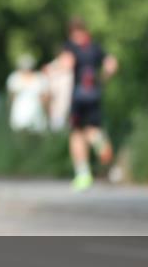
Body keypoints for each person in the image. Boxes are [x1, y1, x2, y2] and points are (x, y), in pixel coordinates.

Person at [48, 18, 118, 191]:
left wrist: (51, 69)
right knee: (93, 128)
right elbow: (112, 65)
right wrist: (102, 80)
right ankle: (101, 144)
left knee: (76, 133)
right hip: (94, 93)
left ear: (71, 31)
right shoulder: (95, 47)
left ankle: (83, 173)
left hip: (77, 96)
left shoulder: (70, 46)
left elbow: (67, 64)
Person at [6, 54, 49, 133]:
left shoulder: (39, 78)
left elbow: (44, 97)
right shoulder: (15, 78)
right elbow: (12, 96)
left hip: (36, 111)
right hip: (20, 111)